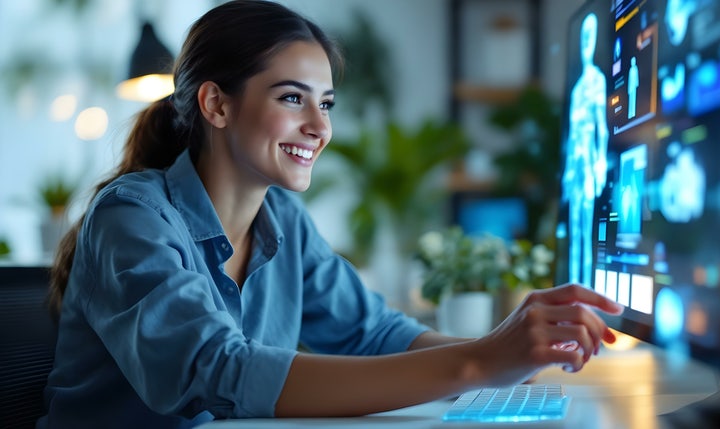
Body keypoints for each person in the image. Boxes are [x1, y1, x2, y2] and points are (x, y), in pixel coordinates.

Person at [38, 1, 623, 427]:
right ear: (216, 103)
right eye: (292, 98)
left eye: (326, 103)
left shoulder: (284, 223)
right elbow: (216, 370)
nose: (320, 128)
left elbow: (375, 334)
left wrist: (505, 355)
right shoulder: (133, 216)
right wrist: (477, 363)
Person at [562, 12, 609, 289]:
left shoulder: (597, 80)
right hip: (575, 169)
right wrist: (568, 174)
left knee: (587, 233)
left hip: (589, 167)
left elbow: (601, 126)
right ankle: (572, 292)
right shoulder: (578, 87)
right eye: (583, 38)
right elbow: (570, 138)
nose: (585, 44)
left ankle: (586, 293)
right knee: (574, 234)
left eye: (590, 38)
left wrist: (601, 162)